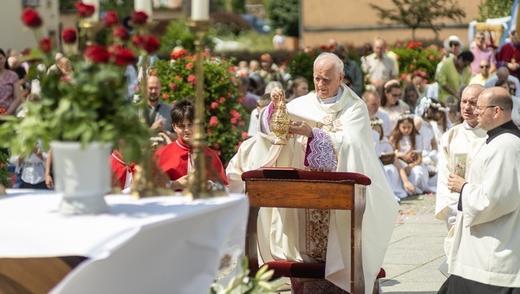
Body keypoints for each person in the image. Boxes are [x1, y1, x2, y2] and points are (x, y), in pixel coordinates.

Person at [227, 53, 398, 294]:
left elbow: (354, 147)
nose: (320, 84)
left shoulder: (355, 108)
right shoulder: (302, 104)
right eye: (317, 78)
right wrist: (275, 112)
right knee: (305, 251)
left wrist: (312, 134)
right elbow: (269, 131)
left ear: (341, 77)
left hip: (340, 196)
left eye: (327, 79)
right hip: (304, 199)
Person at [439, 87, 520, 292]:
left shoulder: (505, 147)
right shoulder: (496, 141)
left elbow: (495, 200)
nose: (475, 112)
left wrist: (463, 188)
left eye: (480, 108)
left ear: (496, 111)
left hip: (493, 254)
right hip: (484, 249)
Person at [435, 84, 486, 262]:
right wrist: (453, 213)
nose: (466, 107)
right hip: (457, 209)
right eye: (464, 101)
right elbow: (444, 179)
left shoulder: (493, 136)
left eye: (473, 102)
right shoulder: (451, 137)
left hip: (485, 211)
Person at [153, 99, 227, 191]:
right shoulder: (162, 155)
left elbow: (225, 189)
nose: (187, 130)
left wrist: (209, 185)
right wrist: (175, 184)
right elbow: (149, 188)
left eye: (190, 125)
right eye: (181, 126)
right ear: (174, 127)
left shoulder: (210, 155)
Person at [144, 76, 174, 142]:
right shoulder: (136, 111)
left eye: (156, 88)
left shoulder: (170, 110)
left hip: (166, 151)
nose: (153, 91)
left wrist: (165, 132)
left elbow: (179, 138)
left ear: (160, 89)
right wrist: (151, 130)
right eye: (151, 88)